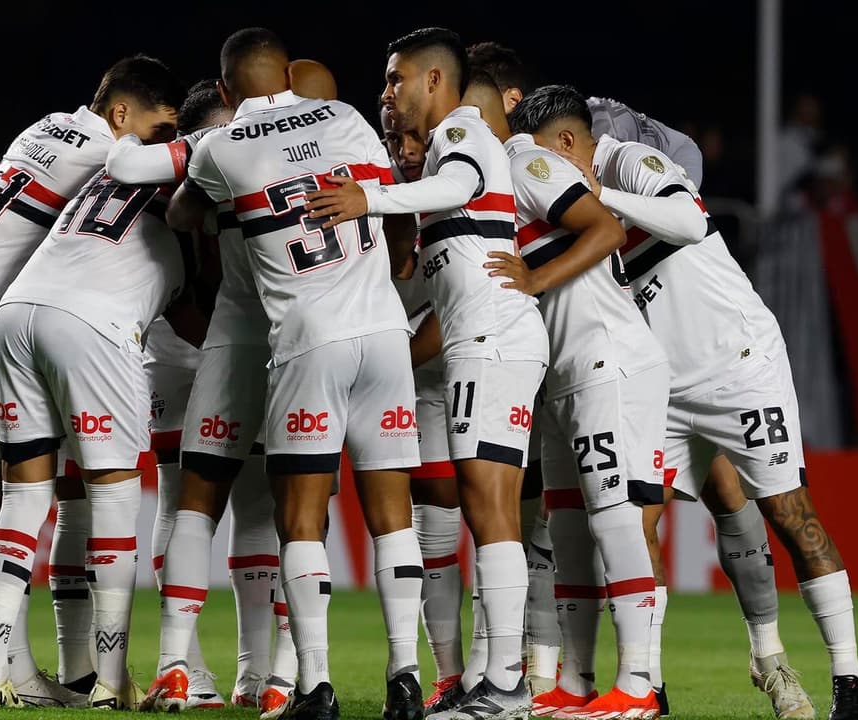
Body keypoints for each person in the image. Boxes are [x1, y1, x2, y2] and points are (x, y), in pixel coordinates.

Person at [512, 84, 858, 720]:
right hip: (661, 387)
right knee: (636, 525)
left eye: (544, 156)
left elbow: (690, 221)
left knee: (791, 515)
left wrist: (602, 197)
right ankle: (646, 683)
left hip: (739, 368)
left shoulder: (627, 163)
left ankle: (849, 679)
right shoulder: (558, 206)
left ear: (570, 145)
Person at [0, 55, 178, 708]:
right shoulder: (105, 154)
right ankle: (6, 676)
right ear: (121, 116)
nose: (163, 143)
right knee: (16, 497)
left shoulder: (46, 129)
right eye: (158, 127)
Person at [175, 28, 426, 720]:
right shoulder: (346, 117)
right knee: (391, 517)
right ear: (288, 72)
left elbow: (181, 211)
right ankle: (404, 673)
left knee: (301, 520)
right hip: (384, 334)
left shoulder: (220, 145)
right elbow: (395, 209)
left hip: (309, 340)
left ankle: (314, 682)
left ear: (224, 92)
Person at [306, 27, 549, 720]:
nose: (387, 92)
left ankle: (504, 683)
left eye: (395, 79)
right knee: (483, 505)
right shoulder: (439, 149)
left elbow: (464, 181)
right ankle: (490, 679)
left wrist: (370, 200)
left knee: (490, 507)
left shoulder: (463, 132)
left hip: (492, 339)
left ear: (434, 82)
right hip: (483, 340)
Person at [110, 64, 340, 716]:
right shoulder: (278, 164)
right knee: (231, 501)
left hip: (212, 349)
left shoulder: (201, 178)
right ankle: (230, 670)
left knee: (215, 505)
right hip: (227, 349)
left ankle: (221, 669)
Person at [482, 93, 669, 719]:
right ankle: (580, 681)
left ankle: (639, 685)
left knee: (615, 518)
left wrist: (535, 279)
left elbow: (609, 229)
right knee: (565, 527)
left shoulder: (526, 162)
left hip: (605, 361)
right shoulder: (482, 176)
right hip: (564, 372)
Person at [380, 101, 467, 714]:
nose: (402, 145)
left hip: (452, 370)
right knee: (420, 529)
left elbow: (455, 303)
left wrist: (394, 361)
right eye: (394, 137)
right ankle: (440, 673)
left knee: (495, 522)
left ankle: (497, 669)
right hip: (403, 379)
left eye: (413, 136)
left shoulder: (452, 190)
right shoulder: (374, 192)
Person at [466, 41, 703, 187]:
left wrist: (685, 194)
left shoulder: (601, 121)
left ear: (512, 100)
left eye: (474, 104)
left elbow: (685, 147)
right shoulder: (521, 146)